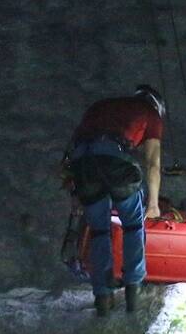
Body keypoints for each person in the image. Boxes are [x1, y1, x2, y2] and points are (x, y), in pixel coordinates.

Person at [66, 84, 165, 316]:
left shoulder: (100, 106)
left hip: (83, 165)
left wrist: (75, 193)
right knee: (133, 223)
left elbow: (74, 148)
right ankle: (133, 289)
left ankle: (102, 296)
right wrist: (153, 203)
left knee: (99, 230)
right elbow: (153, 163)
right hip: (113, 159)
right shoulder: (150, 114)